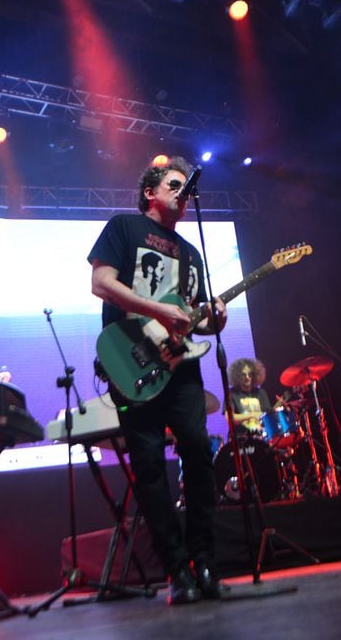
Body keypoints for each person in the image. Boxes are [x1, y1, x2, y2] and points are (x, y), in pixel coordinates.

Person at [88, 156, 227, 605]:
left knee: (199, 456)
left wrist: (214, 319)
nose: (183, 193)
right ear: (151, 191)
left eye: (187, 188)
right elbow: (101, 283)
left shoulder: (192, 253)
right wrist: (155, 310)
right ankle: (175, 570)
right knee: (148, 467)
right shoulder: (124, 227)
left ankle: (204, 561)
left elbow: (193, 319)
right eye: (174, 184)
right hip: (132, 361)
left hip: (182, 366)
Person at [226, 358, 271, 436]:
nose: (247, 377)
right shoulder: (231, 394)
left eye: (250, 374)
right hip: (240, 438)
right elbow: (230, 418)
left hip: (261, 437)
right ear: (237, 376)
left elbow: (268, 416)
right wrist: (252, 415)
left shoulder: (261, 393)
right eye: (243, 375)